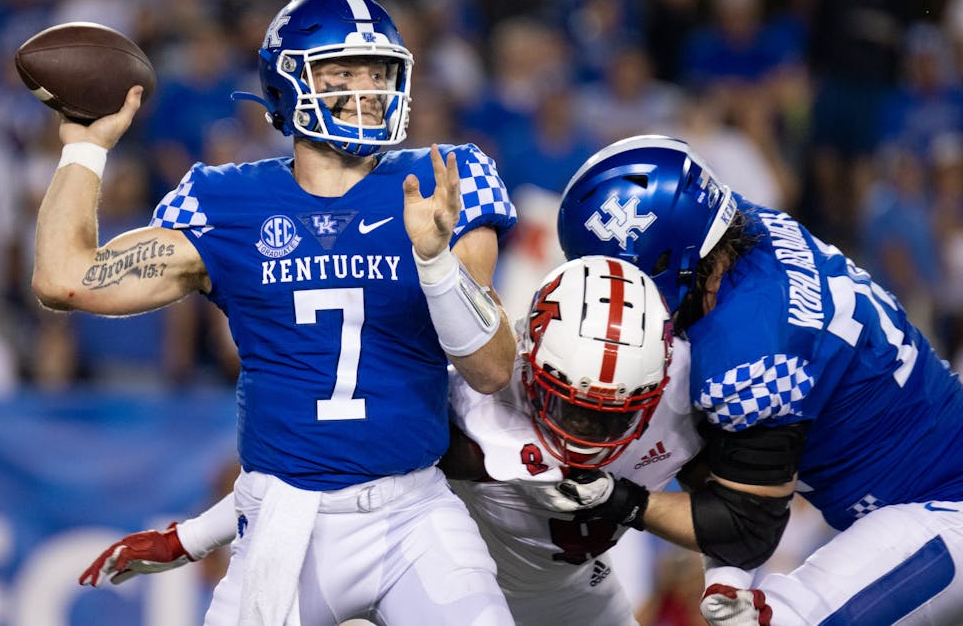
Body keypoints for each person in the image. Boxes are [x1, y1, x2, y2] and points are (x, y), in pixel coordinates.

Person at [32, 0, 518, 626]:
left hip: (415, 514)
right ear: (289, 83)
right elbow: (64, 279)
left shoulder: (441, 178)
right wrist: (85, 147)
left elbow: (490, 368)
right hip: (285, 518)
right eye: (342, 71)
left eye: (378, 71)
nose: (367, 88)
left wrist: (435, 263)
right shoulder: (227, 200)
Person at [78, 255, 706, 626]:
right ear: (529, 354)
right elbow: (312, 480)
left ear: (656, 382)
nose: (585, 432)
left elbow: (742, 516)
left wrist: (644, 510)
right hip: (438, 574)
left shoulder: (689, 397)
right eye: (571, 403)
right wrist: (190, 537)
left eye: (609, 416)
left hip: (574, 594)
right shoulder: (466, 407)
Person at [554, 134, 963, 625]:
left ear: (669, 262)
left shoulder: (746, 355)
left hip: (942, 504)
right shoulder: (736, 229)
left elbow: (746, 531)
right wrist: (726, 577)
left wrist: (622, 501)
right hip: (912, 477)